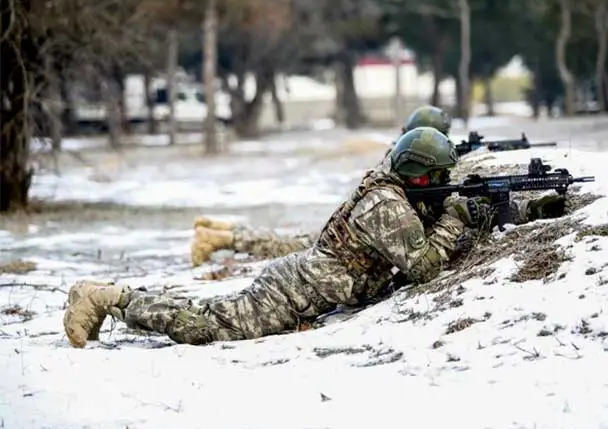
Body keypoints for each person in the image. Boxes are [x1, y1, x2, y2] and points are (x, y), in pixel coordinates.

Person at [63, 127, 566, 348]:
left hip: (306, 285)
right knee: (206, 328)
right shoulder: (385, 205)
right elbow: (426, 265)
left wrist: (523, 206)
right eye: (437, 178)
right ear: (420, 177)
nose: (441, 186)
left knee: (208, 314)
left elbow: (452, 205)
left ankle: (117, 297)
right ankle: (107, 297)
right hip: (291, 291)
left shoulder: (400, 190)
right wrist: (456, 216)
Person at [190, 105, 455, 267]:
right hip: (349, 236)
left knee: (287, 241)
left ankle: (223, 230)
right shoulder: (403, 164)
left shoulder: (400, 154)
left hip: (351, 226)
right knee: (283, 245)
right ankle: (221, 238)